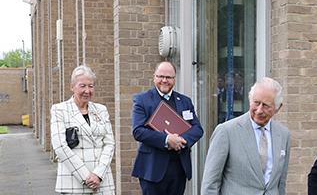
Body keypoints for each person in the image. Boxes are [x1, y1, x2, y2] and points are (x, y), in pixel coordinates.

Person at [201, 77, 291, 195]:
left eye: (266, 106)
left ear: (277, 108)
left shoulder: (284, 135)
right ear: (250, 100)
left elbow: (281, 183)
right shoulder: (226, 131)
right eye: (256, 103)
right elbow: (210, 183)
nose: (259, 110)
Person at [131, 61, 204, 195]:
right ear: (154, 77)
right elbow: (138, 131)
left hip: (179, 168)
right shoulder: (142, 100)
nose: (164, 80)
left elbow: (197, 129)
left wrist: (181, 140)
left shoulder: (185, 101)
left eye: (169, 77)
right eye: (161, 76)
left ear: (174, 79)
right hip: (152, 169)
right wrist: (167, 140)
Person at [50, 65, 115, 194]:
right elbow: (60, 147)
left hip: (102, 181)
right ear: (72, 87)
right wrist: (87, 177)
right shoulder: (59, 110)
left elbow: (109, 144)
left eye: (91, 86)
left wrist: (98, 174)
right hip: (74, 182)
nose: (87, 90)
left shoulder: (101, 110)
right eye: (82, 86)